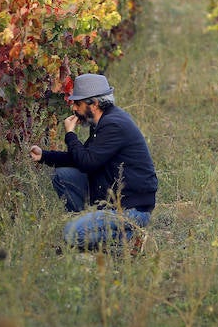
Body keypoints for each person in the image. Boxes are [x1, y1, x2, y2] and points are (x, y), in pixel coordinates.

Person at [29, 73, 158, 250]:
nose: (74, 108)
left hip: (131, 210)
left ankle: (132, 238)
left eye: (78, 104)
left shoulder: (113, 125)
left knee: (72, 233)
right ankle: (87, 222)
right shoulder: (102, 122)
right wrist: (44, 156)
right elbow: (81, 158)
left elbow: (86, 162)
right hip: (112, 204)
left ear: (94, 104)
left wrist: (70, 134)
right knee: (62, 175)